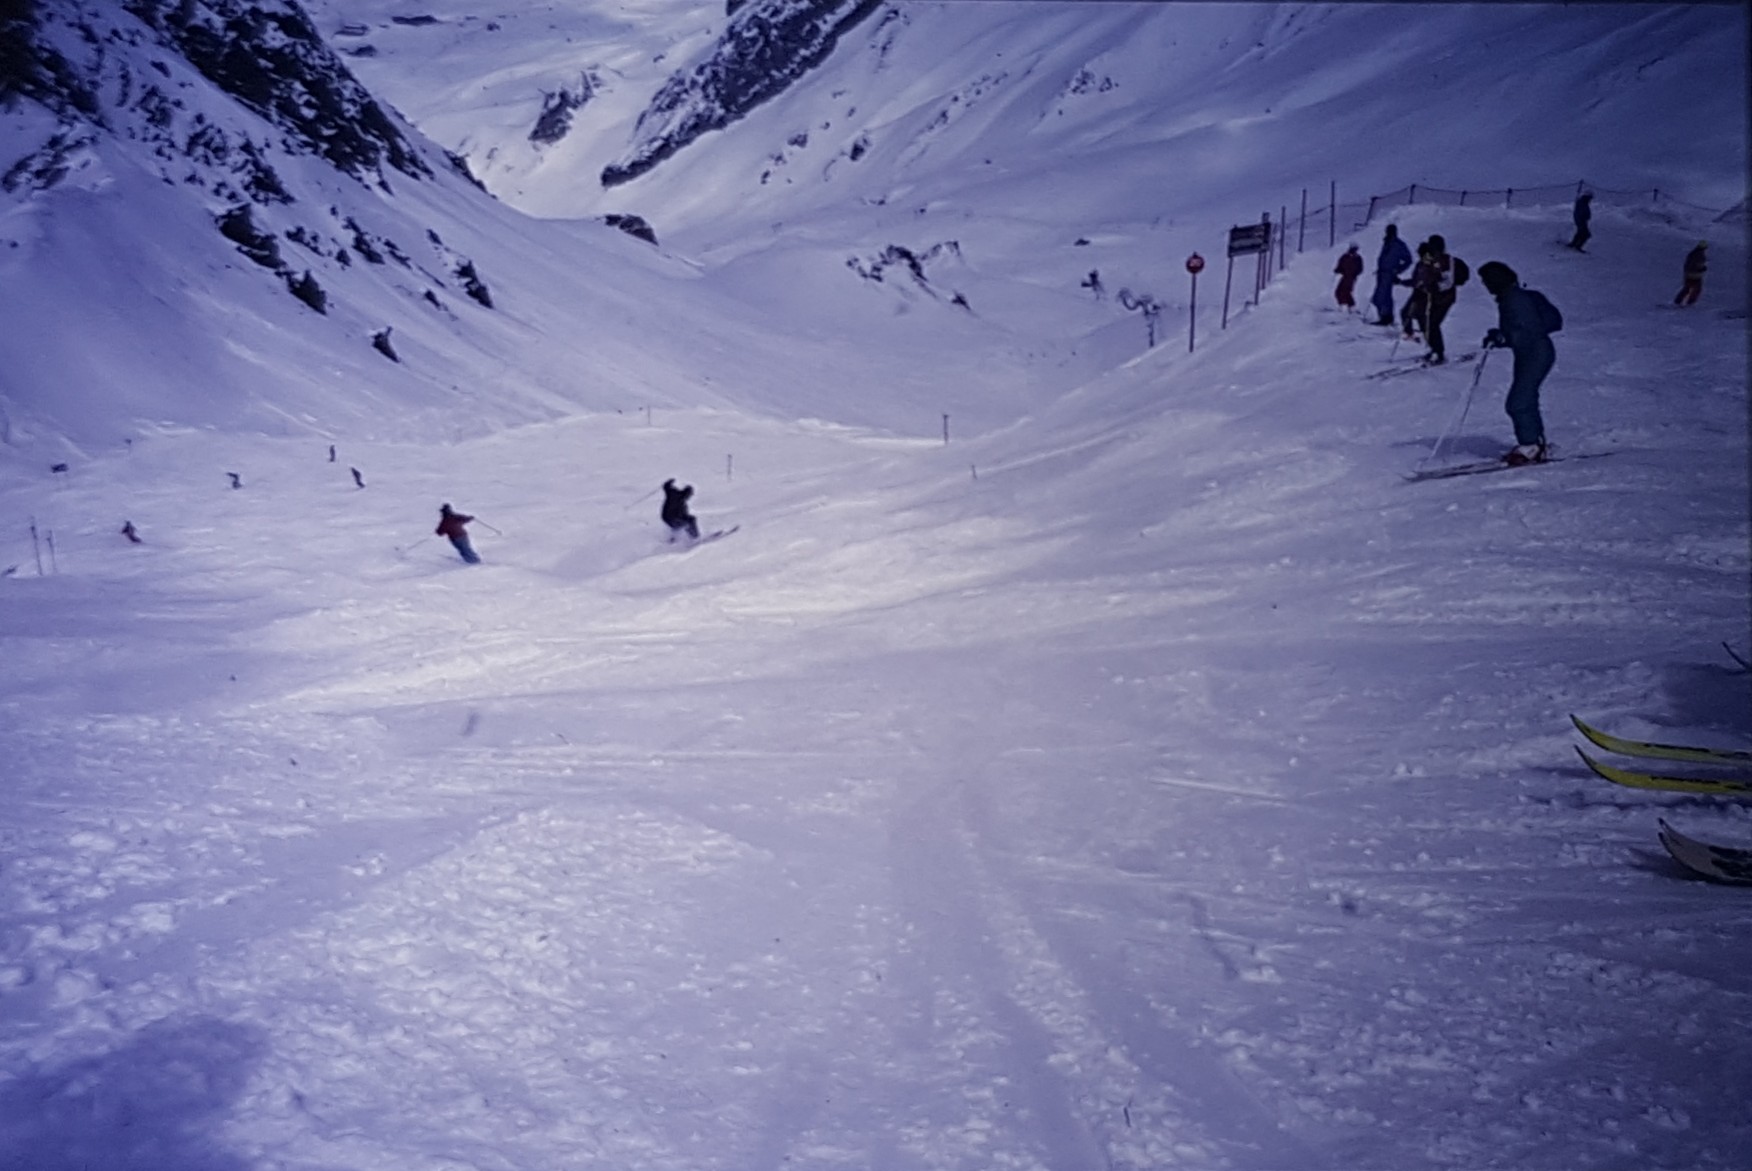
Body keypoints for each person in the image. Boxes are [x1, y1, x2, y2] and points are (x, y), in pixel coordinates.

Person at [1478, 261, 1562, 465]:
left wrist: (1503, 338)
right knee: (1526, 398)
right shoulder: (1512, 297)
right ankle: (1535, 443)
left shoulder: (1514, 300)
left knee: (1518, 401)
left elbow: (1526, 331)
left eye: (1486, 280)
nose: (1485, 285)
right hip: (1530, 353)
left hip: (1535, 353)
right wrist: (1500, 337)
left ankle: (1530, 446)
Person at [1422, 234, 1469, 364]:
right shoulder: (1431, 259)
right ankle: (1434, 350)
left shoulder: (1447, 261)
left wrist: (1434, 286)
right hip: (1435, 297)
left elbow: (1448, 282)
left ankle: (1439, 353)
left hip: (1445, 298)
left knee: (1433, 324)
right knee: (1430, 323)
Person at [1371, 224, 1413, 326]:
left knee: (1383, 296)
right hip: (1381, 273)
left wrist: (1398, 270)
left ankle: (1386, 317)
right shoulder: (1386, 243)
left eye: (1390, 231)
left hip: (1389, 273)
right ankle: (1384, 316)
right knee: (1377, 297)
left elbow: (1408, 259)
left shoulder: (1399, 245)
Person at [1399, 241, 1436, 342]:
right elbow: (1415, 280)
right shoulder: (1420, 264)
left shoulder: (1430, 264)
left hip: (1425, 294)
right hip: (1417, 292)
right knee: (1406, 312)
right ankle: (1410, 333)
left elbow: (1428, 280)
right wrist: (1402, 282)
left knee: (1420, 316)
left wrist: (1424, 285)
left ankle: (1430, 340)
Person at [1675, 241, 1707, 306]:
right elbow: (1698, 265)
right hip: (1695, 275)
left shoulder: (1692, 253)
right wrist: (1702, 268)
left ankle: (1677, 301)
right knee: (1696, 290)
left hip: (1688, 274)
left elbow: (1688, 264)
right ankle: (1690, 303)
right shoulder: (1700, 255)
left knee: (1686, 288)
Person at [1332, 243, 1364, 309]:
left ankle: (1346, 305)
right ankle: (1349, 305)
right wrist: (1338, 270)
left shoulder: (1357, 258)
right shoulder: (1345, 256)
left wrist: (1354, 273)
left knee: (1344, 291)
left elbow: (1360, 269)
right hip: (1346, 276)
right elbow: (1340, 265)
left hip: (1351, 277)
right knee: (1341, 291)